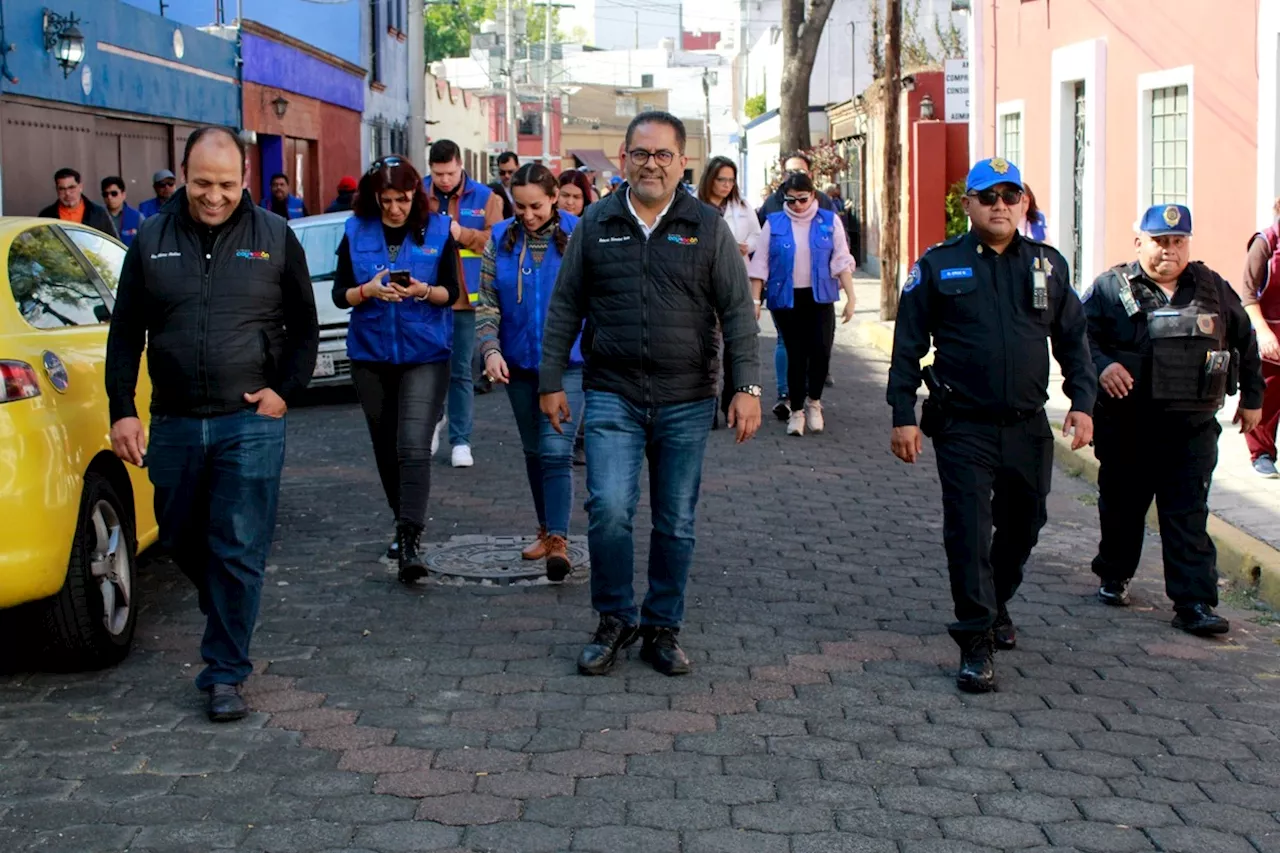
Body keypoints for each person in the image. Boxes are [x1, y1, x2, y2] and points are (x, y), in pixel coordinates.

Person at [105, 127, 319, 722]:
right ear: (183, 174)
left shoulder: (274, 236)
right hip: (173, 420)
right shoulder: (150, 238)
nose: (215, 196)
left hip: (249, 420)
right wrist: (121, 406)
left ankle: (225, 673)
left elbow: (304, 326)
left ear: (245, 179)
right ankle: (228, 600)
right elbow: (125, 333)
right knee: (177, 536)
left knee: (239, 547)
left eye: (227, 184)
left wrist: (285, 391)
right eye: (203, 184)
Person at [539, 111, 762, 678]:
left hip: (686, 397)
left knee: (676, 520)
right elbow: (565, 306)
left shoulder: (706, 227)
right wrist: (548, 380)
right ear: (623, 157)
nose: (652, 165)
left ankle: (662, 626)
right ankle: (615, 618)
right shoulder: (595, 222)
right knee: (609, 508)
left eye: (664, 155)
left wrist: (747, 386)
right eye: (641, 154)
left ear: (681, 161)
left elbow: (738, 312)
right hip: (613, 392)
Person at [887, 157, 1096, 694]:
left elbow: (1073, 340)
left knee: (1026, 524)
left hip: (1028, 425)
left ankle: (998, 601)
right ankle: (975, 641)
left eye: (1010, 195)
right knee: (970, 532)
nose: (1000, 204)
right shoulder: (938, 265)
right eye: (988, 196)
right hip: (964, 426)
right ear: (968, 205)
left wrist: (1083, 401)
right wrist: (901, 416)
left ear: (1023, 203)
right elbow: (907, 346)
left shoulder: (1049, 265)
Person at [1084, 204, 1263, 636]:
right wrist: (1103, 365)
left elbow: (1245, 339)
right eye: (1160, 242)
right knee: (1124, 508)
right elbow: (1077, 339)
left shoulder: (1212, 287)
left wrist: (1253, 398)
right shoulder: (1110, 288)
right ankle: (1114, 573)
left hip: (1191, 428)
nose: (1170, 250)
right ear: (1139, 242)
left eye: (1178, 241)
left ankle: (1193, 602)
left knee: (1187, 514)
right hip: (1128, 426)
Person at [333, 156, 460, 579]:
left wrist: (423, 290)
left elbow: (452, 292)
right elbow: (338, 295)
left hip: (425, 351)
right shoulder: (355, 231)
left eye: (403, 199)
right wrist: (366, 290)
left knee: (411, 444)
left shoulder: (439, 230)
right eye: (386, 200)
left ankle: (410, 539)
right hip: (370, 354)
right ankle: (400, 518)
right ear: (374, 198)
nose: (395, 208)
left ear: (415, 196)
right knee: (386, 446)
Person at [476, 164, 583, 580]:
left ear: (555, 196)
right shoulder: (500, 238)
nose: (528, 215)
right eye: (519, 206)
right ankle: (544, 529)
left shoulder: (580, 234)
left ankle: (558, 540)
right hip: (518, 365)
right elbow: (487, 302)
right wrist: (490, 349)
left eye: (536, 205)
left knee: (556, 449)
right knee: (534, 451)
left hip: (571, 364)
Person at [749, 172, 857, 436]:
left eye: (802, 199)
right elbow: (760, 263)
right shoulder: (774, 223)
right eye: (791, 200)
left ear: (813, 195)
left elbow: (841, 259)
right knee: (795, 353)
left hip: (819, 296)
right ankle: (796, 410)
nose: (797, 205)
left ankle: (814, 402)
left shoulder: (829, 221)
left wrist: (852, 298)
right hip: (786, 297)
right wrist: (754, 299)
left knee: (821, 350)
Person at [426, 139, 504, 468]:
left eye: (450, 172)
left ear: (461, 166)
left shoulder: (485, 197)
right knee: (428, 371)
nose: (444, 180)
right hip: (425, 296)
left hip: (464, 300)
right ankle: (430, 423)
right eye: (438, 173)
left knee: (460, 372)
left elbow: (497, 239)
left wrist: (462, 235)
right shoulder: (418, 194)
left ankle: (461, 440)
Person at [698, 156, 762, 424]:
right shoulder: (694, 207)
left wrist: (746, 245)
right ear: (710, 178)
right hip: (703, 282)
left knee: (736, 341)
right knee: (707, 345)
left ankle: (731, 401)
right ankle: (707, 405)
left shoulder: (742, 206)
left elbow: (757, 235)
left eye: (730, 180)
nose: (725, 185)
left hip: (736, 277)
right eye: (721, 179)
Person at [1236, 198, 1280, 478]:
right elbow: (1249, 295)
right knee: (1267, 397)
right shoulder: (1264, 244)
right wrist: (1263, 333)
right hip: (1270, 336)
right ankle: (1261, 453)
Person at [756, 152, 836, 225]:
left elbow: (838, 234)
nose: (795, 176)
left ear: (810, 175)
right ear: (783, 176)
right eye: (790, 172)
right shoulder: (771, 202)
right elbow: (759, 233)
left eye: (800, 172)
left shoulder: (823, 201)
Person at [38, 168, 114, 234]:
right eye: (62, 189)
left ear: (80, 187)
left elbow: (113, 244)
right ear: (57, 190)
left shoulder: (98, 213)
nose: (67, 193)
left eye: (71, 187)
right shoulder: (46, 216)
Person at [100, 176, 143, 247]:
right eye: (105, 194)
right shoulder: (97, 215)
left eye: (114, 193)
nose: (109, 197)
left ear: (123, 195)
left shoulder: (137, 217)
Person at [488, 151, 519, 220]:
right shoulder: (492, 190)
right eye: (502, 172)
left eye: (510, 172)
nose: (506, 176)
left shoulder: (525, 187)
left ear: (518, 168)